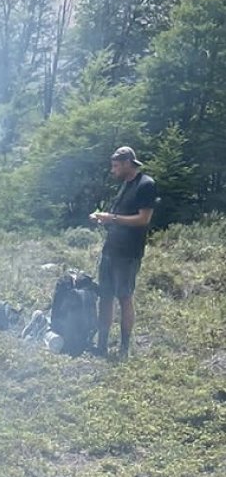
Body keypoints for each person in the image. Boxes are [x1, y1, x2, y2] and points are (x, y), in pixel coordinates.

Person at [88, 147, 158, 359]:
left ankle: (124, 349)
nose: (113, 170)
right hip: (111, 249)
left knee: (124, 297)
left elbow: (144, 219)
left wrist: (112, 218)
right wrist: (104, 219)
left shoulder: (146, 185)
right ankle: (102, 345)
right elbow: (117, 216)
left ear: (128, 163)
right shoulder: (125, 185)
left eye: (116, 166)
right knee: (105, 296)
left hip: (128, 253)